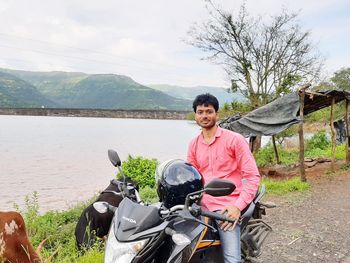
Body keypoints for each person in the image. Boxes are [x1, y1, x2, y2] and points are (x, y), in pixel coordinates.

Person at [187, 93, 260, 263]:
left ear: (217, 114)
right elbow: (191, 178)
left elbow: (252, 177)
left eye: (209, 111)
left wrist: (237, 207)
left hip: (227, 208)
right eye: (200, 112)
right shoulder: (194, 144)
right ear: (196, 115)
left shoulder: (235, 140)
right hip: (202, 206)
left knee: (231, 259)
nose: (204, 116)